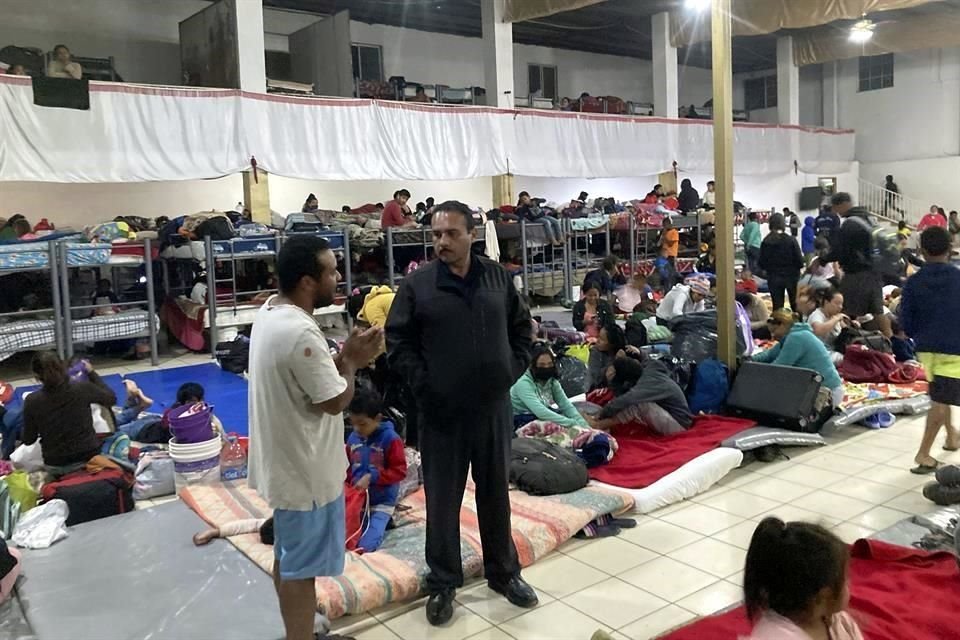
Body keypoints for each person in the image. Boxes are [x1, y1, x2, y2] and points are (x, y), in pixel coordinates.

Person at [385, 200, 537, 626]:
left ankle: (503, 573)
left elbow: (523, 331)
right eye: (435, 235)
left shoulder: (498, 280)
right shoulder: (418, 285)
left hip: (491, 408)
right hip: (441, 414)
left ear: (472, 234)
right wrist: (425, 386)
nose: (442, 242)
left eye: (451, 234)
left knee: (494, 495)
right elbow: (398, 343)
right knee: (443, 501)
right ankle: (444, 582)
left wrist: (508, 371)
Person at [247, 234, 383, 640]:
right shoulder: (301, 333)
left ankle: (301, 628)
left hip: (284, 462)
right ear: (308, 281)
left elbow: (312, 378)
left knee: (289, 557)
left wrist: (342, 357)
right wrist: (355, 363)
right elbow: (334, 400)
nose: (338, 277)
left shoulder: (273, 312)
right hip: (303, 469)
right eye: (331, 271)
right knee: (300, 569)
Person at [899, 226, 960, 474]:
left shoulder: (914, 282)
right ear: (950, 248)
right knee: (940, 399)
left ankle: (952, 436)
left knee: (940, 394)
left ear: (922, 251)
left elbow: (906, 322)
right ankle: (923, 454)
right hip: (955, 348)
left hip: (927, 349)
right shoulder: (958, 278)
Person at [743, 517, 864, 640]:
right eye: (845, 580)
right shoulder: (775, 636)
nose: (849, 584)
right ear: (823, 596)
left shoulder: (838, 621)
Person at [21, 352, 117, 475]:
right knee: (104, 411)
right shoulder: (82, 388)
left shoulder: (32, 400)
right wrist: (92, 373)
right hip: (90, 457)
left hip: (56, 464)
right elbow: (111, 399)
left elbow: (28, 440)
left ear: (36, 375)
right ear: (63, 367)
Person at [345, 386, 408, 553]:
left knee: (365, 546)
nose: (357, 429)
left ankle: (383, 520)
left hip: (381, 502)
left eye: (363, 424)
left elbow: (400, 471)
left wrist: (372, 477)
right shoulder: (352, 438)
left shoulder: (391, 439)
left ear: (378, 418)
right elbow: (347, 468)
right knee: (345, 538)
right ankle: (378, 522)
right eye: (353, 423)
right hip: (358, 501)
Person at [821, 192, 891, 337]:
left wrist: (822, 260)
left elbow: (840, 251)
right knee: (878, 310)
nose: (835, 212)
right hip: (876, 271)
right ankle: (891, 342)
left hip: (857, 273)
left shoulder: (850, 224)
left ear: (842, 205)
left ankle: (844, 340)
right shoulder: (870, 218)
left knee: (843, 307)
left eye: (835, 208)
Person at [751, 310, 844, 408]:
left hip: (827, 393)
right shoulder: (794, 335)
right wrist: (750, 359)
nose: (772, 336)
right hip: (824, 389)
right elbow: (769, 354)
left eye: (774, 331)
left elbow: (778, 368)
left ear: (782, 325)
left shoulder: (797, 338)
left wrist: (753, 373)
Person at [587, 356, 692, 436]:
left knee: (639, 405)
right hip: (672, 418)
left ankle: (598, 425)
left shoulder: (646, 384)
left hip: (679, 426)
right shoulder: (647, 370)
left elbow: (626, 400)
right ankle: (598, 420)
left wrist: (602, 414)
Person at [511, 344, 588, 428]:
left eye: (550, 364)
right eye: (542, 365)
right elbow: (541, 412)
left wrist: (583, 425)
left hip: (542, 415)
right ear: (532, 365)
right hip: (522, 420)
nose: (547, 367)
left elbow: (565, 405)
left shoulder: (551, 381)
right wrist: (572, 423)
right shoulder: (522, 382)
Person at [759, 212, 804, 311]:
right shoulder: (791, 240)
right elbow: (800, 261)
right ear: (783, 224)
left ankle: (778, 325)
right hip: (792, 277)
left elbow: (761, 263)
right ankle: (798, 325)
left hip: (774, 277)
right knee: (795, 305)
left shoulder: (766, 242)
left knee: (777, 306)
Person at [807, 288, 848, 360]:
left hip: (834, 351)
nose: (840, 307)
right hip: (819, 354)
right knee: (849, 360)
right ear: (826, 302)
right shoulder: (817, 315)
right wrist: (836, 319)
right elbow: (818, 330)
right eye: (837, 303)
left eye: (841, 304)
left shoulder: (835, 316)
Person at [588, 324, 627, 391]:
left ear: (612, 344)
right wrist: (615, 362)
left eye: (602, 339)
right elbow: (596, 378)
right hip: (599, 389)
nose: (597, 341)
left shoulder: (624, 351)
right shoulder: (595, 352)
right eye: (598, 337)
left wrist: (639, 352)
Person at [740, 210, 762, 275]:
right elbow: (753, 234)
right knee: (757, 263)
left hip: (747, 247)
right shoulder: (756, 225)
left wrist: (746, 242)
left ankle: (751, 276)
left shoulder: (747, 225)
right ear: (756, 218)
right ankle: (756, 277)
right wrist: (749, 243)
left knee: (750, 264)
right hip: (755, 246)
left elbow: (741, 236)